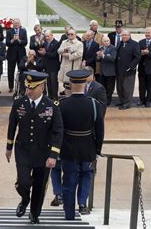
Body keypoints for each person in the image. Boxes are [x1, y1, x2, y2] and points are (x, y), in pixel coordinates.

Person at [6, 71, 63, 224]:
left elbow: (58, 131)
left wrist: (53, 154)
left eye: (32, 88)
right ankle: (25, 200)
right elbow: (12, 125)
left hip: (43, 152)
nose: (29, 91)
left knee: (39, 184)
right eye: (27, 87)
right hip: (23, 150)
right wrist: (9, 147)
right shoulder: (19, 103)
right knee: (23, 182)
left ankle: (34, 213)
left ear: (42, 87)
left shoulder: (51, 105)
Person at [59, 70, 104, 219]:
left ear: (70, 85)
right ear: (85, 84)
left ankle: (69, 213)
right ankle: (82, 203)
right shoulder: (93, 104)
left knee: (69, 179)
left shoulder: (62, 104)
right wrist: (98, 149)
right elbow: (100, 130)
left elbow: (58, 130)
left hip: (68, 148)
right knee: (86, 175)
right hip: (88, 147)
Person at [115, 30, 141, 110]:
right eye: (122, 35)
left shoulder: (135, 44)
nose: (124, 37)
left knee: (127, 88)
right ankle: (122, 101)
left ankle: (127, 103)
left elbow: (138, 57)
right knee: (119, 87)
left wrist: (131, 67)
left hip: (128, 70)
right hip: (119, 70)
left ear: (129, 35)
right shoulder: (120, 43)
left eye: (125, 35)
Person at [6, 18, 28, 93]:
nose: (16, 25)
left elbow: (25, 42)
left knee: (22, 71)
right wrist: (12, 40)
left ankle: (22, 86)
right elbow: (7, 43)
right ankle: (11, 87)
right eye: (15, 23)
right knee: (10, 72)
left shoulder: (23, 31)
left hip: (21, 54)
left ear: (19, 23)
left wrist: (19, 40)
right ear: (13, 24)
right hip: (11, 54)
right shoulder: (9, 31)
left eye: (17, 23)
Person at [38, 30, 60, 100]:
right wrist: (41, 52)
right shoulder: (45, 43)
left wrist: (45, 53)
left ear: (51, 35)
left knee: (54, 82)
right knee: (48, 83)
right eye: (45, 36)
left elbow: (55, 55)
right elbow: (43, 53)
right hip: (46, 66)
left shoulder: (56, 43)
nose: (46, 38)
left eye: (48, 36)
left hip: (53, 66)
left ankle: (55, 97)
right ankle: (50, 97)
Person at [96, 36, 117, 106]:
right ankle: (103, 100)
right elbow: (98, 60)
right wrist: (98, 56)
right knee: (103, 87)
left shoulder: (113, 48)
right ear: (102, 42)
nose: (107, 42)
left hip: (110, 72)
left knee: (109, 88)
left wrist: (103, 55)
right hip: (102, 72)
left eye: (108, 40)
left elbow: (113, 58)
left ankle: (108, 101)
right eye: (105, 41)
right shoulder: (101, 48)